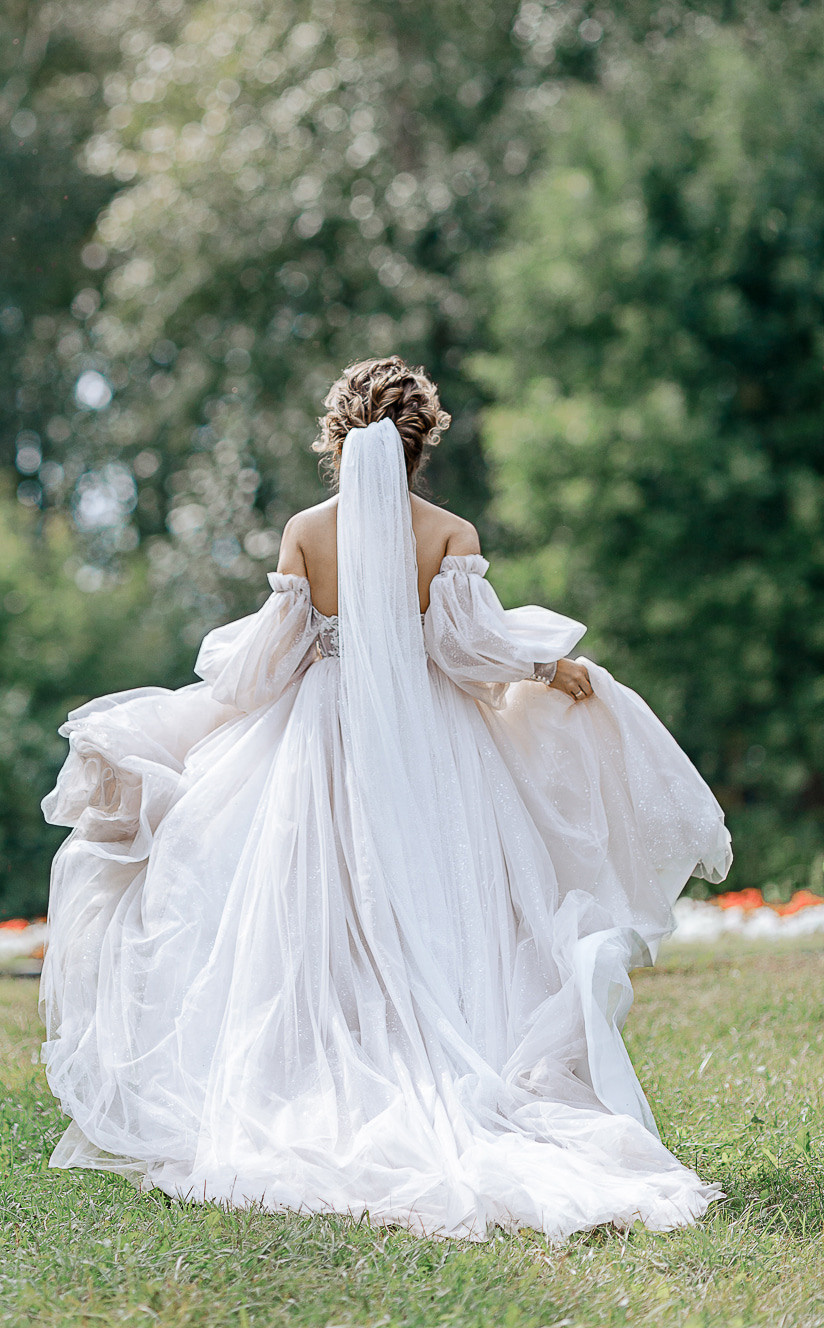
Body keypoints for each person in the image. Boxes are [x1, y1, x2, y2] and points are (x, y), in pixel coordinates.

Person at [40, 356, 732, 1241]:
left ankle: (325, 1062)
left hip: (319, 739)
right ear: (422, 442)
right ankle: (459, 1053)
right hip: (430, 741)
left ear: (336, 440)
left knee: (318, 904)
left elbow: (266, 666)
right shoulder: (449, 532)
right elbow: (466, 652)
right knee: (437, 898)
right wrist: (546, 667)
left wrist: (211, 703)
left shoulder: (305, 532)